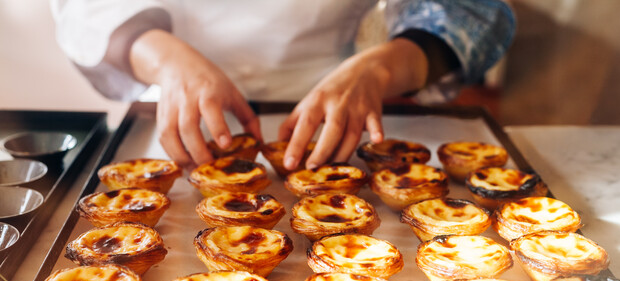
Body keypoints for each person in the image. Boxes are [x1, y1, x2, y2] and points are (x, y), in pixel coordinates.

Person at [51, 0, 515, 170]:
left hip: (330, 114)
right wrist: (166, 58)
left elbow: (474, 11)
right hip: (170, 114)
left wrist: (380, 67)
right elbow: (85, 9)